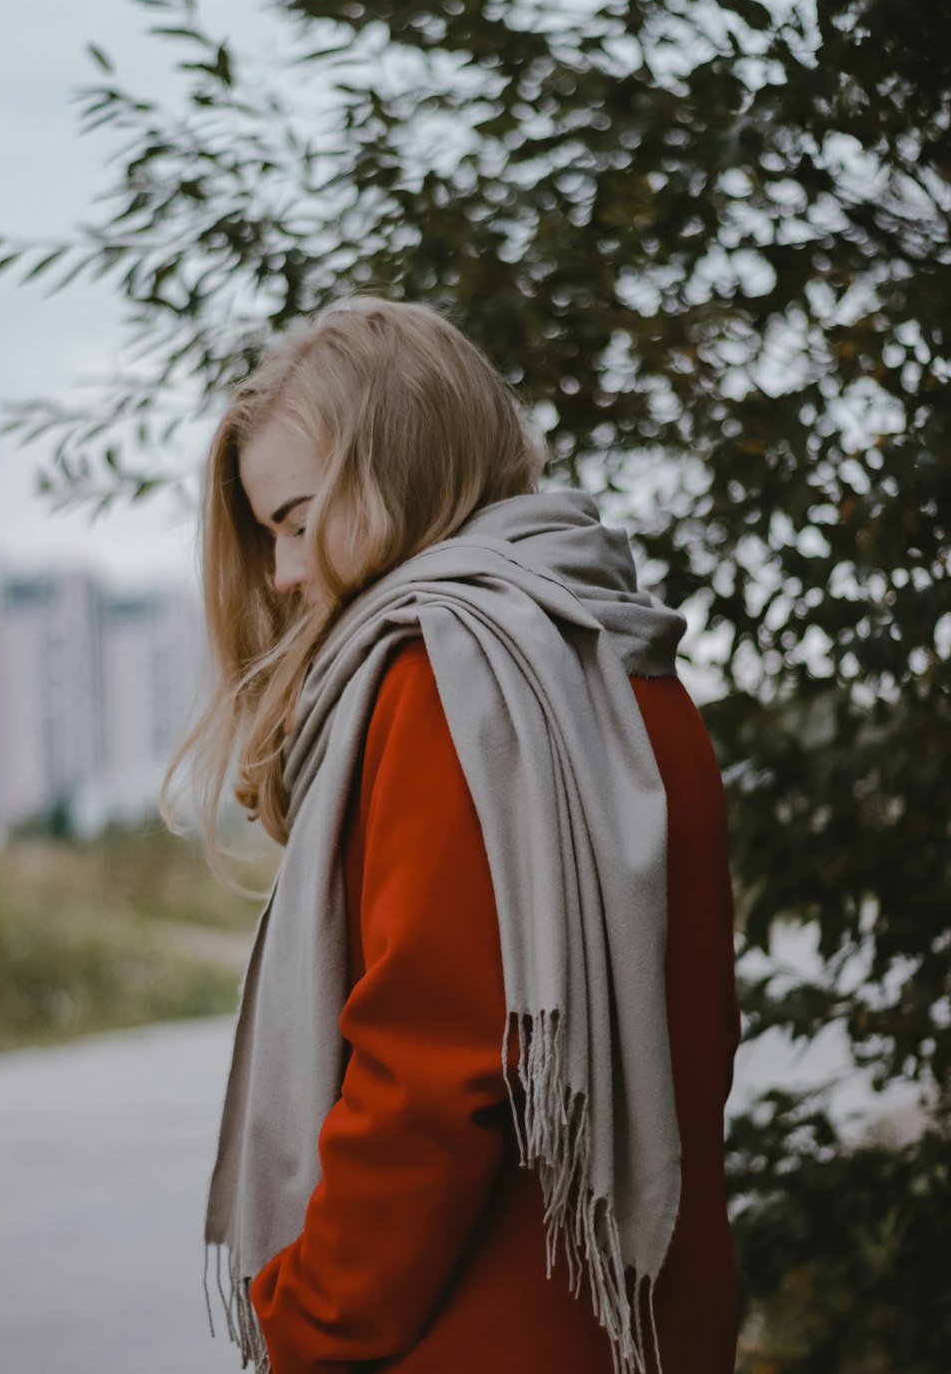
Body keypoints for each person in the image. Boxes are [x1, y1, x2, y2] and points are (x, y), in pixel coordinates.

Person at [160, 293, 741, 1374]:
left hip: (479, 1332)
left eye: (294, 520)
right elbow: (704, 1031)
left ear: (398, 463)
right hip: (643, 1313)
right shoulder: (626, 669)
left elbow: (432, 1074)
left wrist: (311, 1319)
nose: (283, 575)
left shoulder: (447, 681)